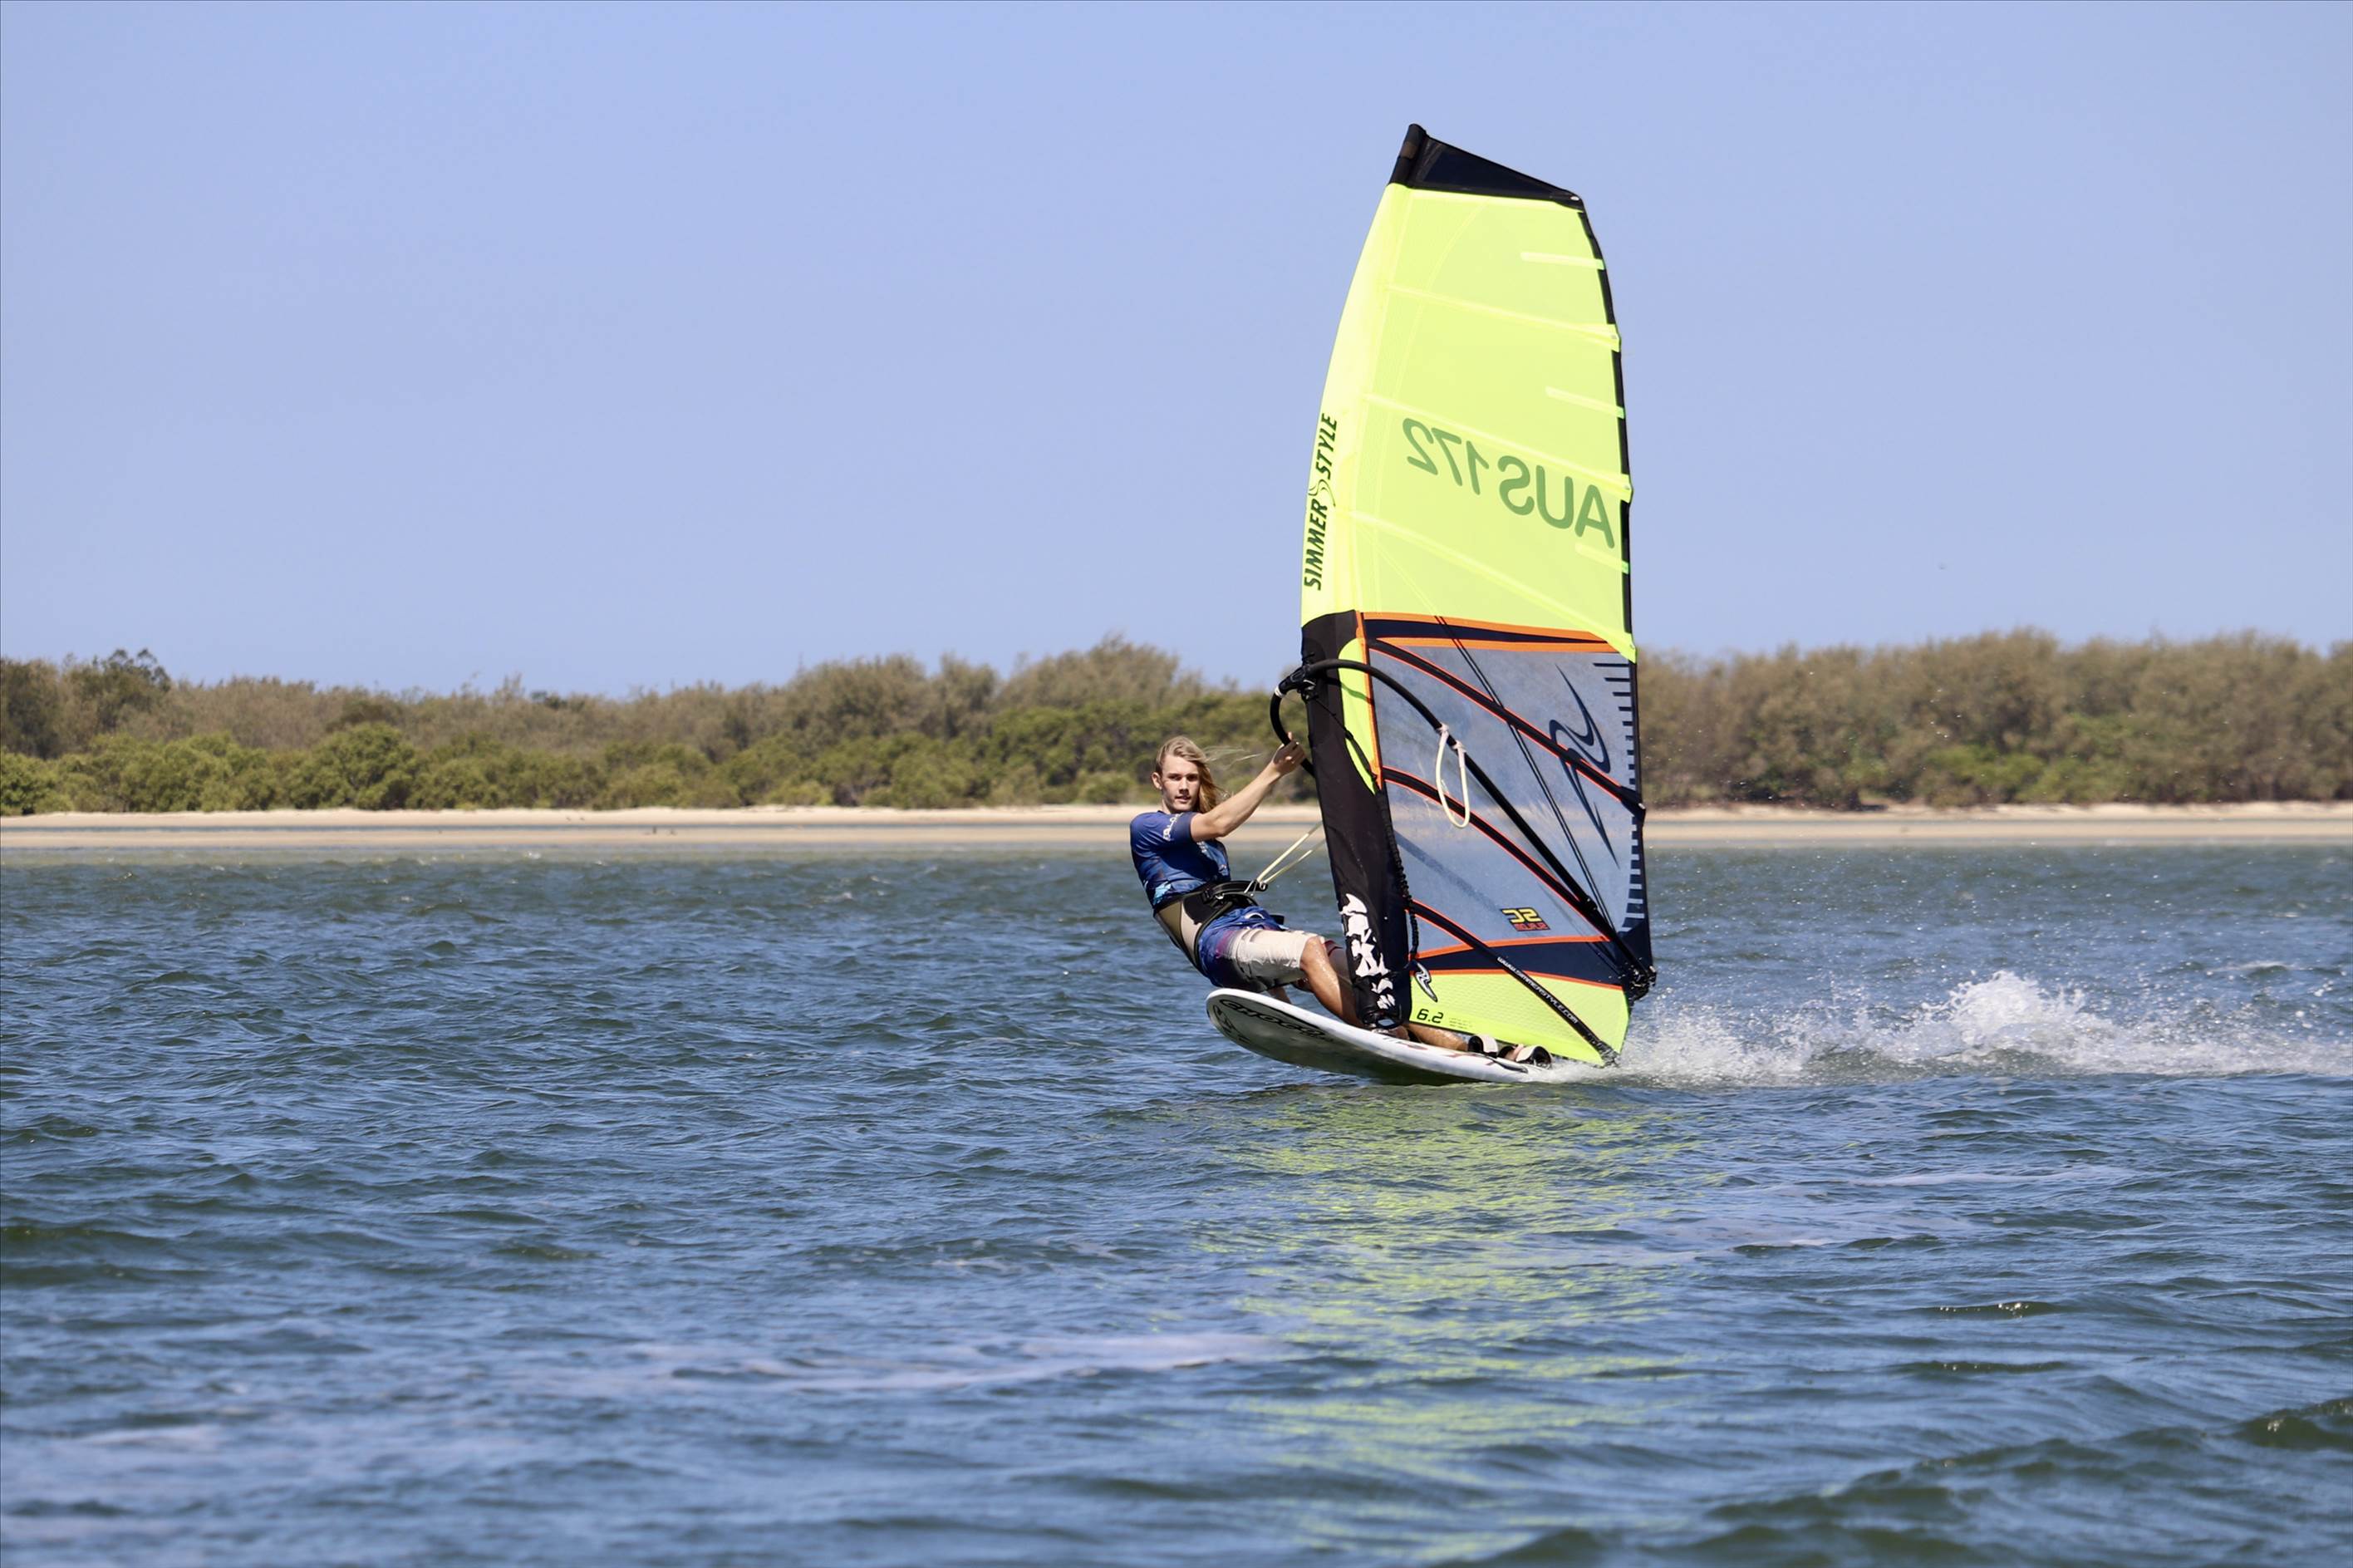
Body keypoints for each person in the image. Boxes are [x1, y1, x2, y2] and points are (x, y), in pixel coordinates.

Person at [1129, 735, 1531, 1059]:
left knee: (1363, 965)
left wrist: (1278, 1004)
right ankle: (1381, 1033)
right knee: (1308, 951)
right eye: (1175, 777)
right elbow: (1219, 822)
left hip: (1249, 932)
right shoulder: (1147, 828)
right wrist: (1274, 771)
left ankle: (1462, 1050)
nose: (1184, 786)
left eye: (1191, 778)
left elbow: (1256, 941)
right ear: (1157, 781)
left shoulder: (1209, 848)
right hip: (1215, 944)